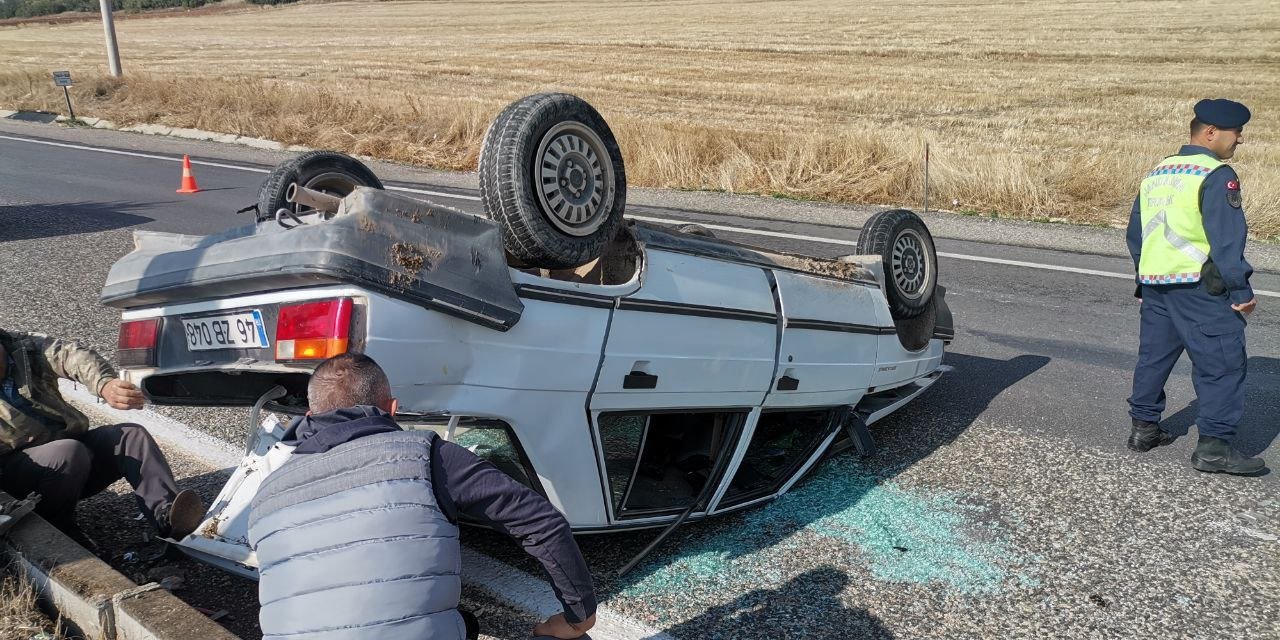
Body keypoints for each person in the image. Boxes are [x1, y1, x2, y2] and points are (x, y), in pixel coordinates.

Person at [248, 353, 597, 640]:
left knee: (464, 623)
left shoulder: (265, 493)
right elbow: (542, 523)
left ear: (310, 416)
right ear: (392, 408)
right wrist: (578, 617)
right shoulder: (423, 454)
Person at [1125, 98, 1264, 475]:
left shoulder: (1156, 173)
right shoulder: (1217, 174)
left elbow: (1136, 233)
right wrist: (1241, 292)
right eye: (1237, 134)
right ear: (1211, 132)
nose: (1239, 141)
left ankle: (1143, 429)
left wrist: (1144, 279)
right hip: (1199, 287)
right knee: (1221, 363)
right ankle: (1214, 448)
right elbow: (1226, 240)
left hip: (1157, 285)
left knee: (1153, 359)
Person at [0, 329, 205, 546]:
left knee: (130, 436)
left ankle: (168, 518)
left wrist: (105, 384)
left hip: (71, 460)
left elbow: (71, 355)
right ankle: (60, 533)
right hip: (15, 478)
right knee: (68, 452)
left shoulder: (23, 348)